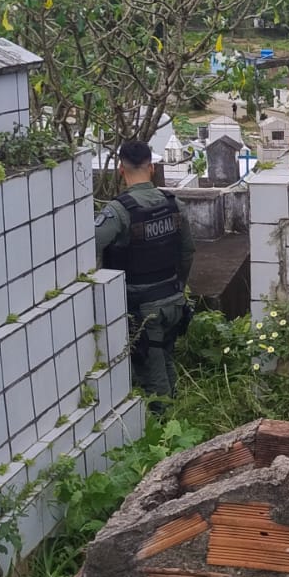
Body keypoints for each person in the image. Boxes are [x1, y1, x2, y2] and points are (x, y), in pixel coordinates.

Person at [94, 141, 196, 407]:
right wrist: (178, 287)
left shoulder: (119, 211)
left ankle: (166, 431)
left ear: (120, 169)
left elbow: (89, 245)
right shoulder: (174, 204)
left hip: (142, 307)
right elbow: (188, 252)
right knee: (164, 358)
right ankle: (178, 414)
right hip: (173, 301)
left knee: (152, 375)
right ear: (151, 167)